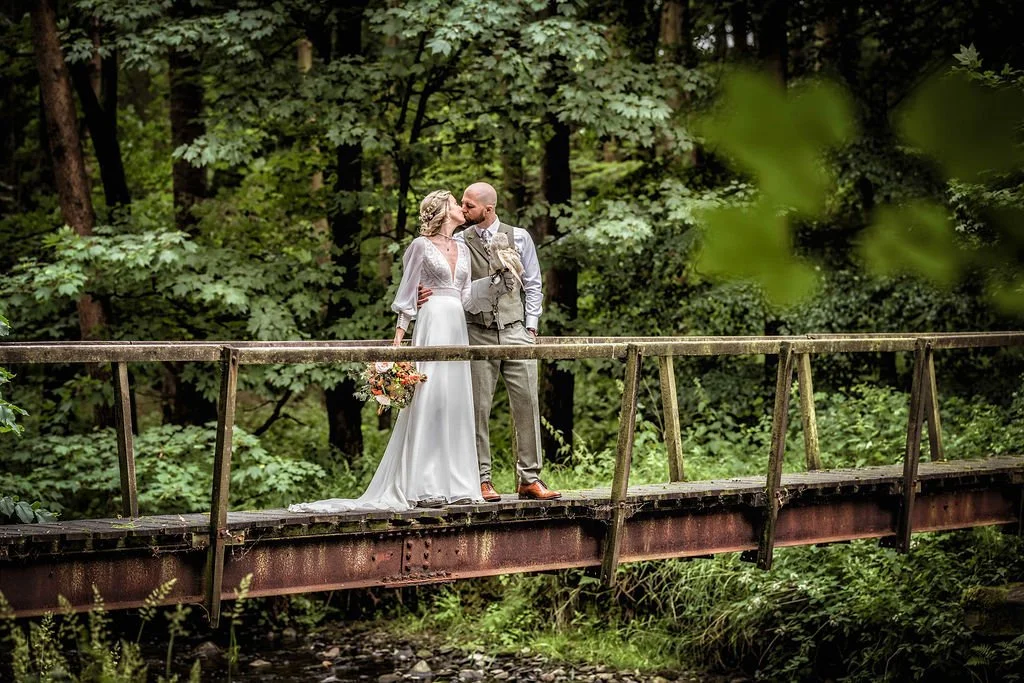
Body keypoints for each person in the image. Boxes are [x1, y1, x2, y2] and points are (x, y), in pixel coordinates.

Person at [289, 190, 508, 513]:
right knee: (429, 398)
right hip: (431, 323)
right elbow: (406, 298)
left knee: (454, 400)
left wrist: (497, 282)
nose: (462, 208)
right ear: (443, 211)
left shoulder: (462, 246)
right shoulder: (420, 246)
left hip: (456, 326)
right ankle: (425, 484)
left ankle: (459, 483)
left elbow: (465, 297)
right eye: (455, 203)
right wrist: (396, 347)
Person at [457, 182, 561, 501]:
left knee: (527, 403)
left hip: (516, 330)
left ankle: (529, 478)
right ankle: (481, 478)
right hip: (477, 331)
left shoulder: (520, 237)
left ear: (488, 209)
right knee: (478, 407)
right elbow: (455, 283)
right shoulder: (460, 240)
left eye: (468, 205)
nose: (462, 210)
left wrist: (531, 326)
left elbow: (533, 282)